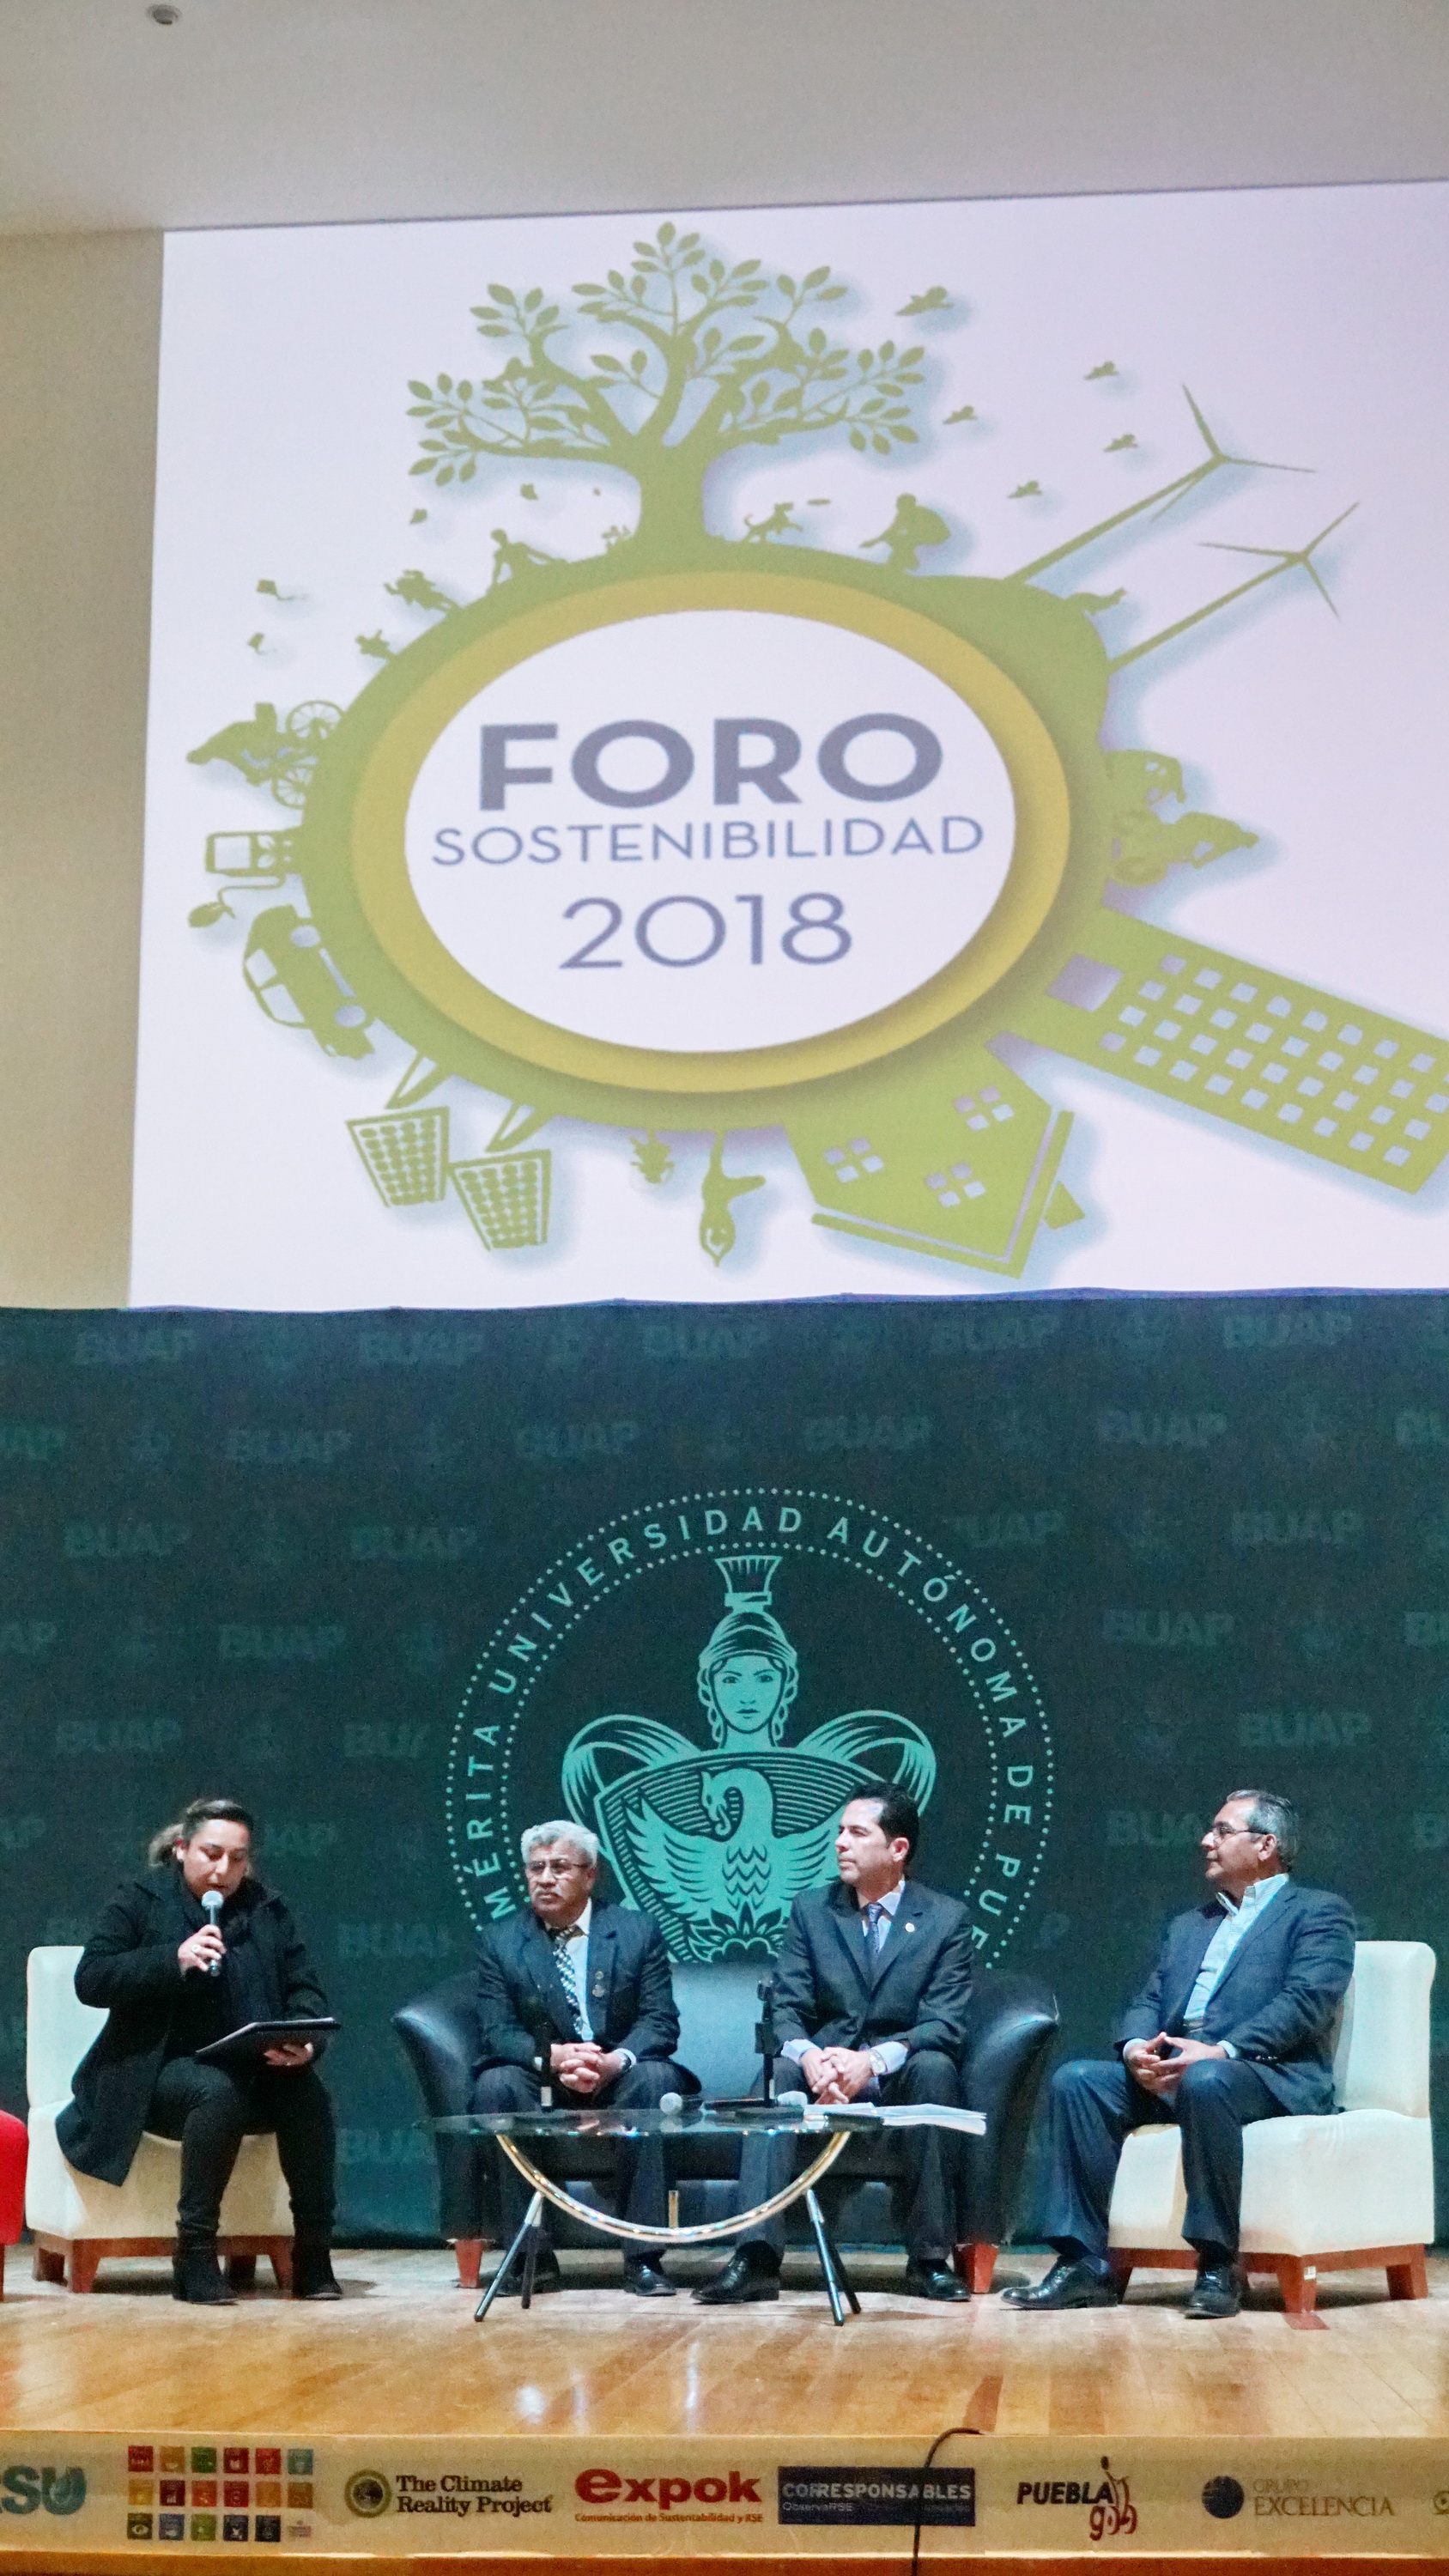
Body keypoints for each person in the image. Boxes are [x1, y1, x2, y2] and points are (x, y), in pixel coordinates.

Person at [1004, 1789, 1356, 2320]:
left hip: (1267, 2074)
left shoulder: (1317, 1912)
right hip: (1180, 2068)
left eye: (1222, 1831)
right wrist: (1135, 2050)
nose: (1206, 1841)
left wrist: (1220, 2050)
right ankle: (1084, 2265)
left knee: (1207, 2080)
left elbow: (1306, 2001)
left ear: (1266, 1845)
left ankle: (1218, 2263)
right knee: (1078, 2081)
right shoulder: (1192, 1924)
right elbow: (1151, 1998)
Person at [694, 1789, 973, 2306]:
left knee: (936, 2068)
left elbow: (944, 2022)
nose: (840, 1842)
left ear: (897, 1849)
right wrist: (809, 2057)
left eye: (857, 1833)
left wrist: (872, 2061)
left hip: (897, 2073)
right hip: (822, 2069)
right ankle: (756, 2258)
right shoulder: (813, 1910)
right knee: (776, 2077)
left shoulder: (945, 1919)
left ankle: (929, 2260)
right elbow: (786, 2007)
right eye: (840, 1832)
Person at [57, 1796, 339, 2306]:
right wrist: (174, 1959)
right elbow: (91, 1979)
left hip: (250, 2063)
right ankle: (194, 2255)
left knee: (307, 2093)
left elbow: (305, 1989)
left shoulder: (267, 1909)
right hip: (155, 2072)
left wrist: (304, 2041)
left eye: (237, 1858)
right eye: (211, 1853)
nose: (223, 1870)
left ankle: (314, 2254)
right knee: (216, 2091)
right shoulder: (140, 1899)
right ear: (182, 1849)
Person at [472, 1820, 694, 2298]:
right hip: (544, 2074)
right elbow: (497, 2032)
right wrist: (554, 2057)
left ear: (590, 1875)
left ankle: (644, 2258)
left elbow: (660, 2022)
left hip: (617, 2072)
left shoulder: (636, 1931)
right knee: (496, 2086)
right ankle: (530, 2257)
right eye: (535, 1869)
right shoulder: (501, 1940)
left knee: (656, 2079)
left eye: (559, 1867)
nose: (545, 1879)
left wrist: (613, 2062)